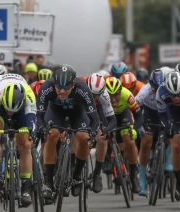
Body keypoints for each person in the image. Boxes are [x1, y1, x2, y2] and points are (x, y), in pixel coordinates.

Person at [37, 65, 100, 200]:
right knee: (51, 135)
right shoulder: (46, 88)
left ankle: (77, 176)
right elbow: (39, 115)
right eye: (58, 87)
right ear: (54, 83)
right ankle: (48, 183)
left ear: (73, 85)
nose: (61, 91)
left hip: (77, 113)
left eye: (66, 88)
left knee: (84, 138)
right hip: (55, 112)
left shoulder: (83, 89)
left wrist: (93, 134)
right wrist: (43, 129)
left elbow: (95, 119)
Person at [0, 74, 36, 206]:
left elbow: (31, 117)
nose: (11, 113)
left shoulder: (28, 92)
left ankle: (26, 189)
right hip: (0, 108)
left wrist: (32, 131)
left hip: (22, 111)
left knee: (25, 144)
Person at [156, 71, 180, 201]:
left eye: (179, 94)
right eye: (173, 95)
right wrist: (167, 126)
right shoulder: (161, 92)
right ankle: (179, 181)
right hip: (172, 113)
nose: (176, 98)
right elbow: (161, 115)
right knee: (175, 146)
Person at [105, 76, 142, 193]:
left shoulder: (127, 95)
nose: (113, 100)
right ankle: (110, 159)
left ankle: (133, 174)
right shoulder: (100, 98)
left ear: (121, 92)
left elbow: (138, 115)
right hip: (107, 116)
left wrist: (135, 129)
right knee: (103, 136)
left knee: (129, 140)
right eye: (110, 96)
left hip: (123, 115)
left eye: (116, 95)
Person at [136, 69, 167, 196]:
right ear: (150, 85)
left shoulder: (167, 88)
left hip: (165, 112)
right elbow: (134, 107)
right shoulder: (145, 90)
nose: (156, 91)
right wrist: (137, 126)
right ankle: (142, 178)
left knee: (172, 134)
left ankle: (168, 159)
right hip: (150, 114)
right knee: (146, 142)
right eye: (154, 88)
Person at [86, 73, 116, 192]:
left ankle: (97, 173)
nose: (93, 97)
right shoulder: (81, 90)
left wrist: (105, 130)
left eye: (96, 95)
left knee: (102, 138)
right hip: (82, 109)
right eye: (92, 94)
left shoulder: (104, 96)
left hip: (97, 111)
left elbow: (112, 120)